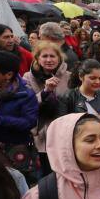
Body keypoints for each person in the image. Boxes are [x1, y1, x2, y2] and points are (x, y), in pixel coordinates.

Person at [22, 41, 71, 176]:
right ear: (37, 58)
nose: (49, 60)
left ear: (59, 58)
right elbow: (26, 104)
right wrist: (45, 92)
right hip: (40, 134)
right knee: (44, 175)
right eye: (44, 56)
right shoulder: (28, 77)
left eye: (52, 56)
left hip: (63, 133)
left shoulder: (69, 77)